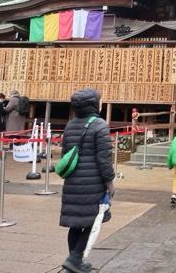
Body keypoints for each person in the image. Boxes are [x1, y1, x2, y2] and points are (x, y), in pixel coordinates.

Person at [60, 88, 115, 273]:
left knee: (76, 223)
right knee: (92, 220)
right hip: (92, 182)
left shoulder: (70, 125)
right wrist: (110, 182)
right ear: (94, 105)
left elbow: (65, 154)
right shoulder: (99, 125)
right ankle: (74, 258)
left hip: (73, 180)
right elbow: (103, 158)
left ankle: (76, 262)